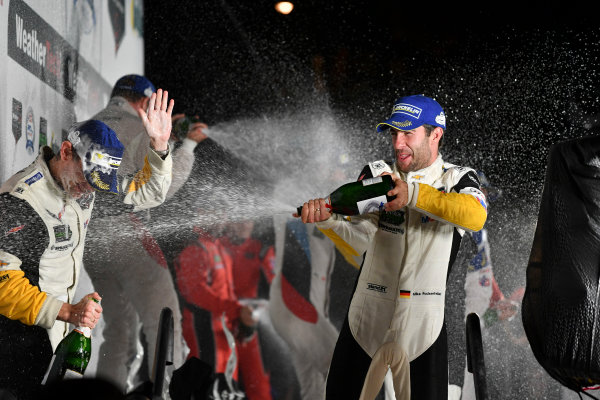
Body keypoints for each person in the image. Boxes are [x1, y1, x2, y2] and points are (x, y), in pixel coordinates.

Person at [297, 94, 488, 399]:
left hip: (423, 325)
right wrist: (328, 222)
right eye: (393, 133)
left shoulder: (456, 178)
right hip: (366, 316)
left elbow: (477, 216)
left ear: (435, 134)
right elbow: (360, 243)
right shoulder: (376, 174)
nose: (398, 143)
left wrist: (412, 194)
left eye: (408, 133)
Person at [0, 101, 173, 400]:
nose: (88, 190)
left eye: (98, 184)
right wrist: (69, 311)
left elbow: (148, 192)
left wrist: (159, 147)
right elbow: (3, 285)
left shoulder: (87, 185)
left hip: (53, 338)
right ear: (66, 152)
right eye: (86, 179)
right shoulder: (21, 200)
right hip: (14, 345)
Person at [82, 75, 206, 393]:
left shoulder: (91, 125)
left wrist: (170, 139)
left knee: (119, 330)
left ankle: (106, 393)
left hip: (91, 240)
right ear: (145, 103)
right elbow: (162, 189)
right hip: (127, 233)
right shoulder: (138, 128)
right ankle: (164, 394)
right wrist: (187, 144)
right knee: (164, 320)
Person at [172, 221, 255, 398]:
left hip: (224, 339)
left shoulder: (219, 248)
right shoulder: (194, 247)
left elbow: (228, 294)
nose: (221, 218)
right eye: (216, 211)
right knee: (202, 391)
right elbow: (196, 294)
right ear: (201, 213)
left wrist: (238, 323)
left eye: (223, 213)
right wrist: (235, 310)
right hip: (201, 334)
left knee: (225, 392)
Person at [219, 220, 275, 400]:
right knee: (221, 380)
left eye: (249, 220)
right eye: (240, 219)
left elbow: (275, 280)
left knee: (257, 381)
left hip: (248, 322)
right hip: (221, 322)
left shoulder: (261, 249)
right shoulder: (217, 246)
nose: (244, 225)